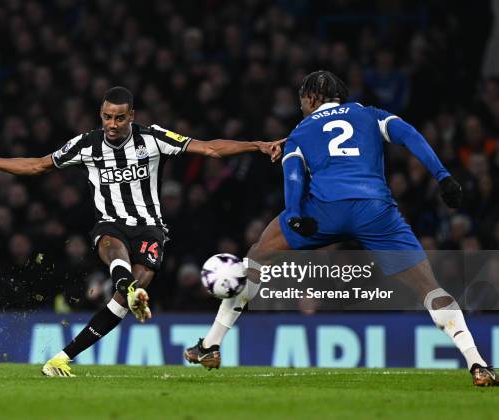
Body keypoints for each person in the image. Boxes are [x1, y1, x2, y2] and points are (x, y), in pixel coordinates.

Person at [184, 71, 497, 387]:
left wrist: (294, 213)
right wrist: (443, 176)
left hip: (325, 210)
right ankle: (477, 363)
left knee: (258, 255)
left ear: (310, 98)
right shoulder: (369, 114)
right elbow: (410, 135)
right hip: (375, 210)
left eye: (301, 100)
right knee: (429, 287)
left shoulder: (300, 132)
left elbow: (292, 173)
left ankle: (211, 345)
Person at [0, 86, 284, 377]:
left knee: (124, 300)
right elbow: (36, 165)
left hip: (151, 229)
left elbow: (209, 149)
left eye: (118, 118)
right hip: (111, 224)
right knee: (112, 244)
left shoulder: (153, 139)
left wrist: (256, 145)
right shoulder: (86, 145)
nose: (111, 124)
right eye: (106, 117)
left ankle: (60, 358)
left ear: (132, 116)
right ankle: (126, 284)